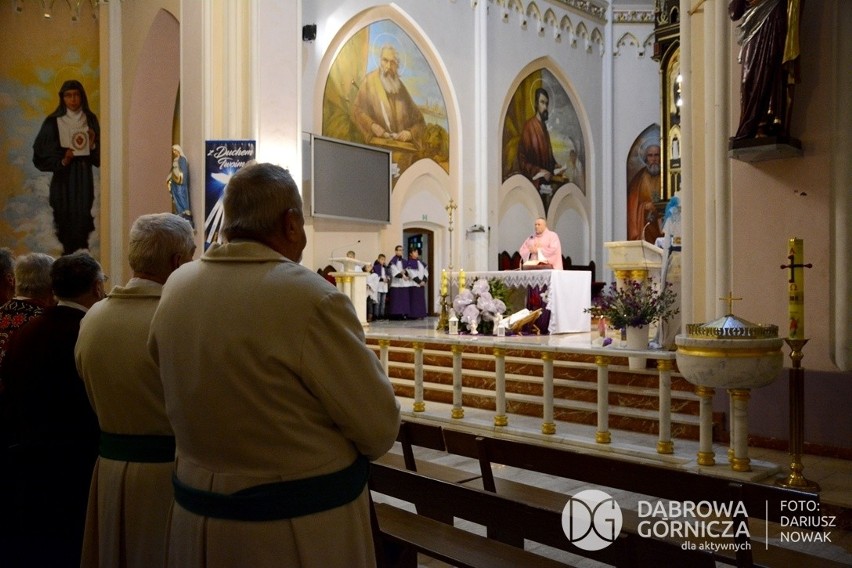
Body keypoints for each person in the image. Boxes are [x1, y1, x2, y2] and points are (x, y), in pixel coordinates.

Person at [147, 163, 400, 568]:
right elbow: (379, 427)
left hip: (198, 522)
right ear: (292, 223)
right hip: (292, 531)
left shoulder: (177, 288)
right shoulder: (312, 299)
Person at [75, 213, 195, 568]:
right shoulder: (179, 318)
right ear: (177, 262)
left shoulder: (92, 318)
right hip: (168, 478)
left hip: (111, 470)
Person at [1, 251, 105, 568]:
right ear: (96, 288)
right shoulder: (89, 331)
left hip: (28, 458)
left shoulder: (24, 332)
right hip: (79, 459)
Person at [32, 80, 101, 255]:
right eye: (68, 95)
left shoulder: (90, 119)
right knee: (63, 217)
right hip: (63, 178)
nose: (73, 99)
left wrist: (92, 145)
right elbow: (39, 155)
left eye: (76, 95)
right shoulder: (52, 122)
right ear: (62, 98)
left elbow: (101, 157)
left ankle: (82, 257)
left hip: (83, 175)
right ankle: (66, 257)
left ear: (82, 96)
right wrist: (63, 160)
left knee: (82, 217)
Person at [729, 0, 802, 141]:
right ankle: (749, 125)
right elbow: (734, 13)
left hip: (773, 18)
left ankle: (767, 123)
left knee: (770, 71)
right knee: (747, 79)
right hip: (752, 27)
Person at [352, 45, 426, 146]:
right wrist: (372, 126)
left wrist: (410, 134)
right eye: (385, 60)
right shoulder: (369, 82)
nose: (388, 66)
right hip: (377, 148)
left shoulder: (401, 89)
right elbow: (357, 111)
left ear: (397, 66)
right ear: (380, 61)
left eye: (393, 62)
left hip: (402, 149)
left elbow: (420, 122)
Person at [517, 88, 566, 207]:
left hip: (545, 185)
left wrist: (555, 165)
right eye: (542, 102)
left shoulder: (544, 129)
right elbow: (522, 160)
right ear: (536, 104)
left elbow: (547, 156)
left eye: (547, 104)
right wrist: (539, 171)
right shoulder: (529, 127)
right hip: (535, 184)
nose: (545, 107)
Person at [626, 142, 663, 243]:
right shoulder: (639, 179)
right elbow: (632, 207)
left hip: (662, 223)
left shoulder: (667, 177)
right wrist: (645, 206)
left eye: (657, 155)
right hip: (645, 223)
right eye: (650, 155)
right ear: (646, 158)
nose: (654, 159)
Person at [167, 144, 194, 227]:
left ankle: (184, 211)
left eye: (175, 150)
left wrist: (181, 180)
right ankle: (179, 211)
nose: (174, 152)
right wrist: (169, 178)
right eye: (173, 151)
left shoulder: (182, 159)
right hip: (175, 181)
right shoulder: (175, 159)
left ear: (179, 151)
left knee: (181, 195)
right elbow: (172, 170)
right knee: (176, 196)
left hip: (181, 181)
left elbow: (184, 171)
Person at [387, 244, 410, 318]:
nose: (401, 251)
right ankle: (396, 315)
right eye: (399, 250)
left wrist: (406, 275)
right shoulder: (393, 262)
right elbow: (395, 272)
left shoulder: (405, 261)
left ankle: (404, 314)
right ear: (396, 251)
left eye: (402, 250)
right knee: (396, 301)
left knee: (404, 300)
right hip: (396, 284)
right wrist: (402, 275)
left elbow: (407, 270)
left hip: (404, 284)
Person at [405, 248, 429, 319]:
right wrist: (419, 281)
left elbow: (426, 272)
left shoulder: (421, 263)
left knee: (420, 300)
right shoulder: (409, 263)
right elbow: (412, 273)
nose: (416, 253)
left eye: (417, 252)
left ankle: (421, 314)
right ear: (411, 254)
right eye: (414, 252)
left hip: (421, 284)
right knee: (414, 300)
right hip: (414, 284)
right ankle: (414, 315)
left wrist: (424, 281)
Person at [370, 254, 389, 320]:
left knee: (383, 302)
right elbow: (375, 277)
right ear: (378, 260)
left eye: (384, 260)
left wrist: (387, 278)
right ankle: (376, 315)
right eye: (381, 259)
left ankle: (382, 315)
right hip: (378, 286)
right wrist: (382, 279)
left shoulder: (385, 268)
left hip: (384, 286)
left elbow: (387, 275)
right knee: (377, 301)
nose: (383, 261)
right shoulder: (375, 267)